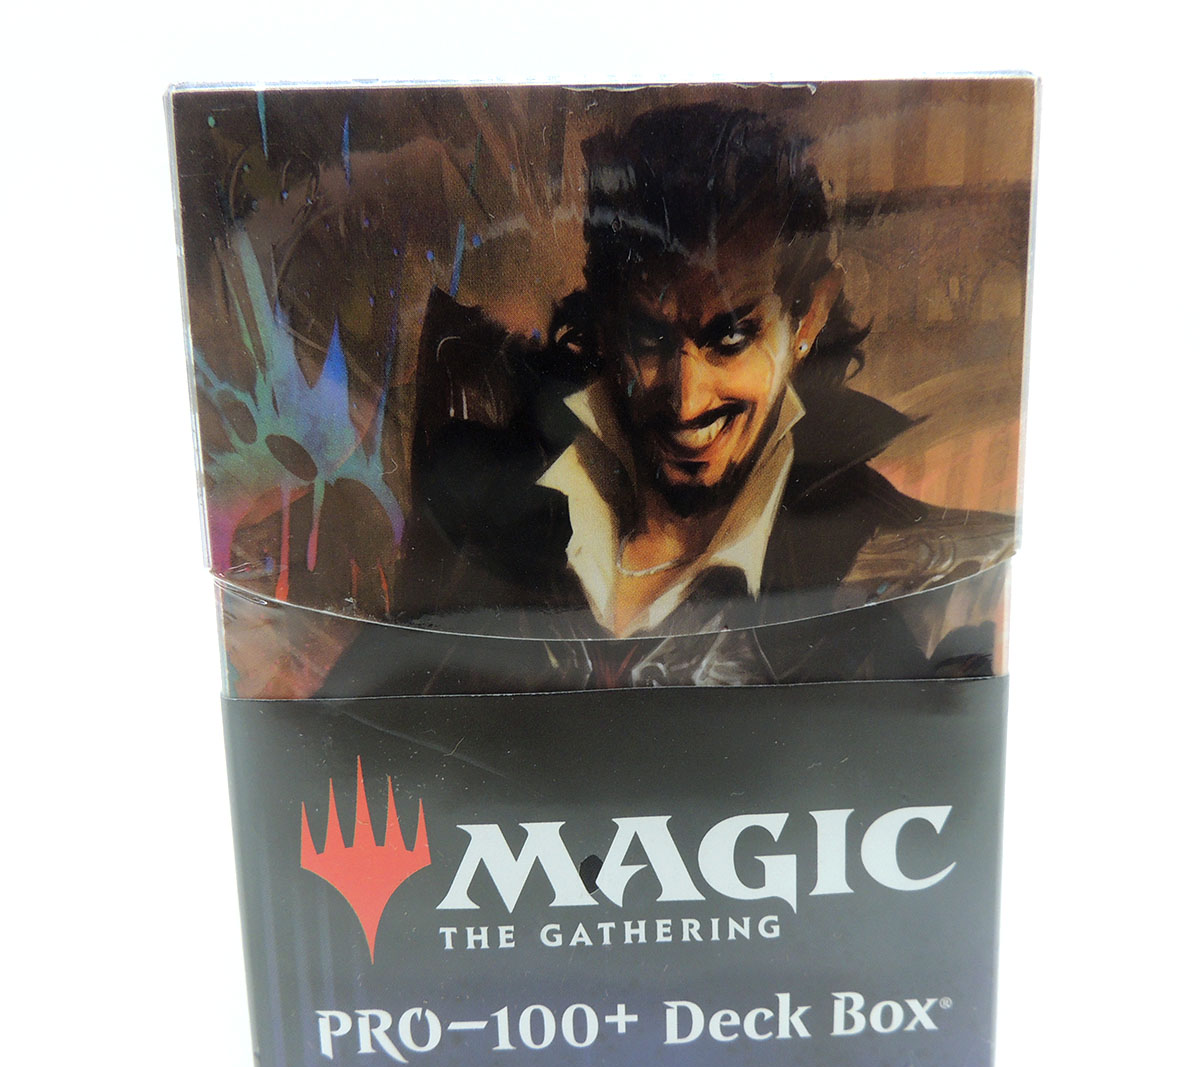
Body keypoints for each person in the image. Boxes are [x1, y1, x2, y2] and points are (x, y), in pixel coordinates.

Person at [320, 103, 1013, 696]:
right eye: (649, 338)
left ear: (806, 318)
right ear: (604, 319)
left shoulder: (904, 577)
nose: (685, 399)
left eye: (730, 338)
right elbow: (343, 736)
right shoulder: (485, 498)